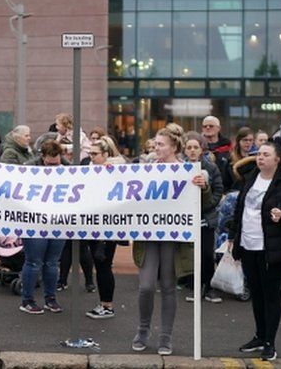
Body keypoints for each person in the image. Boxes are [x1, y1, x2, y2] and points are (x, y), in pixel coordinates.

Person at [131, 124, 205, 356]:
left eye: (160, 144)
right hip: (148, 236)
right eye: (155, 143)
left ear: (174, 147)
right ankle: (143, 330)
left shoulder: (188, 170)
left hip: (174, 237)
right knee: (146, 286)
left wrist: (204, 186)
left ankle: (165, 336)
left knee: (168, 287)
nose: (155, 147)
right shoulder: (146, 169)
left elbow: (203, 201)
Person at [231, 140, 281, 362]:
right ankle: (259, 336)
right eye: (258, 154)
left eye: (265, 154)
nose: (260, 157)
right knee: (257, 294)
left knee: (270, 295)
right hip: (248, 244)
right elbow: (240, 207)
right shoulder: (251, 176)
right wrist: (234, 237)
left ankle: (270, 342)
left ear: (277, 159)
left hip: (271, 247)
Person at [18, 140, 68, 315]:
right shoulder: (28, 168)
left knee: (52, 262)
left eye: (56, 164)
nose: (53, 168)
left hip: (57, 220)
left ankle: (50, 298)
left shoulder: (67, 168)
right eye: (49, 164)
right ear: (42, 158)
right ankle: (28, 300)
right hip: (35, 220)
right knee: (34, 262)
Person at [83, 138, 123, 318]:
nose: (91, 157)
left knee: (103, 265)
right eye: (90, 153)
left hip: (107, 226)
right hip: (93, 224)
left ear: (106, 155)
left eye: (95, 154)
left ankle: (107, 305)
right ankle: (104, 304)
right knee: (100, 266)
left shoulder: (113, 171)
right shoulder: (91, 170)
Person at [182, 132, 224, 303]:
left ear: (201, 150)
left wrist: (208, 205)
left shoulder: (211, 168)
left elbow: (219, 190)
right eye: (189, 147)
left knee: (207, 253)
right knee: (191, 254)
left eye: (195, 147)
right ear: (184, 150)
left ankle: (209, 286)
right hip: (186, 218)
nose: (192, 151)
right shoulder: (179, 167)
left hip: (206, 218)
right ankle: (195, 286)